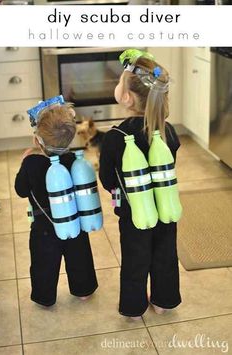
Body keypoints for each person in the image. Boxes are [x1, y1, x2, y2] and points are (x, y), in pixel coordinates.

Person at [99, 49, 181, 320]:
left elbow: (108, 179)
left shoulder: (115, 137)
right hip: (166, 208)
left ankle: (134, 308)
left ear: (126, 97)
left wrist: (116, 199)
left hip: (133, 212)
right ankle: (164, 301)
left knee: (135, 259)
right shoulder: (168, 131)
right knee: (165, 254)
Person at [15, 100, 98, 307]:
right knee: (80, 257)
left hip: (44, 226)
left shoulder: (31, 163)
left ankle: (44, 297)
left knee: (43, 263)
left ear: (38, 140)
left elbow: (21, 190)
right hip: (74, 222)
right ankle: (84, 290)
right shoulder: (73, 161)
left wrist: (24, 162)